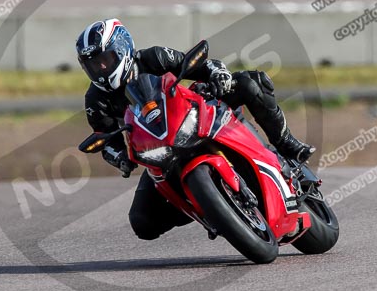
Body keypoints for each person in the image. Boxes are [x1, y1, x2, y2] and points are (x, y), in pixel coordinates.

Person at [76, 18, 315, 240]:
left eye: (103, 60)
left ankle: (286, 144)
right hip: (158, 149)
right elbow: (105, 141)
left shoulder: (154, 58)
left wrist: (219, 74)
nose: (100, 69)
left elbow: (203, 65)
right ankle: (212, 208)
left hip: (193, 114)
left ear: (121, 50)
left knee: (250, 83)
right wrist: (120, 159)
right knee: (142, 223)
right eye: (92, 65)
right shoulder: (95, 101)